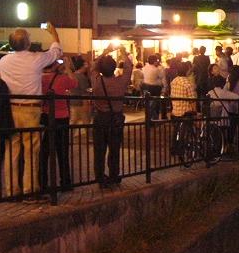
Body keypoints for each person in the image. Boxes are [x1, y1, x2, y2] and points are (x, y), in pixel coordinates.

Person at [0, 23, 62, 200]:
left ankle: (12, 190)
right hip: (31, 110)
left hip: (10, 109)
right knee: (31, 151)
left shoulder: (4, 61)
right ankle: (30, 189)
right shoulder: (35, 59)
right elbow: (56, 52)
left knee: (12, 150)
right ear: (27, 43)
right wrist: (53, 33)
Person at [90, 43, 133, 188]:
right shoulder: (120, 82)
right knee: (114, 149)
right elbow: (128, 67)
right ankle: (114, 175)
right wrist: (123, 52)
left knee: (99, 150)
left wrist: (106, 51)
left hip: (100, 117)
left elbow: (93, 65)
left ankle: (100, 177)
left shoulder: (96, 81)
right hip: (115, 118)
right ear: (114, 68)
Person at [39, 59, 76, 191]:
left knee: (45, 151)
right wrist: (68, 68)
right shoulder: (62, 78)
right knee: (63, 150)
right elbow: (74, 83)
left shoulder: (39, 79)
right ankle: (65, 181)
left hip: (47, 116)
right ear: (54, 66)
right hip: (62, 117)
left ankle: (42, 181)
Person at [69, 55, 92, 129]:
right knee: (86, 123)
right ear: (82, 66)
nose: (87, 66)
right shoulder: (82, 77)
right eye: (85, 64)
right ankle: (89, 136)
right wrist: (85, 104)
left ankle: (70, 135)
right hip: (80, 104)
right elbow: (84, 92)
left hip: (72, 102)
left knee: (73, 122)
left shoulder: (72, 75)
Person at [142, 54, 166, 119]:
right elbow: (162, 77)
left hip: (145, 86)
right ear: (155, 61)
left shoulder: (145, 67)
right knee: (154, 104)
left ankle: (148, 118)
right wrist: (165, 86)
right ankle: (155, 118)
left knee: (148, 104)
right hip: (154, 88)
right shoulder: (156, 69)